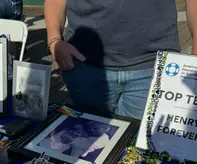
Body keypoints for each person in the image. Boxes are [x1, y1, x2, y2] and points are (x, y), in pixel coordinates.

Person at [44, 0, 197, 119]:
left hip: (154, 65)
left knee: (140, 151)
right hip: (84, 66)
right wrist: (54, 39)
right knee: (87, 144)